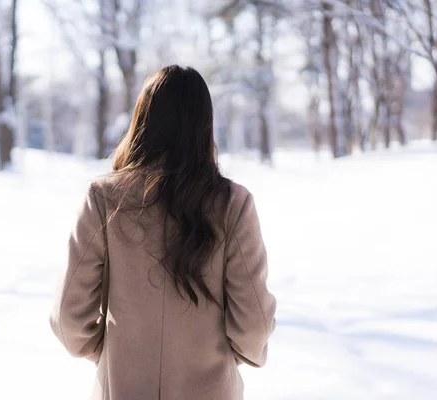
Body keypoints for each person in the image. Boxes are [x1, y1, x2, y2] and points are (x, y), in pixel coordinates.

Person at [50, 65, 276, 400]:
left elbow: (69, 315)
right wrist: (226, 359)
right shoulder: (233, 204)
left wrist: (116, 356)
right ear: (204, 126)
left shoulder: (103, 198)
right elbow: (253, 325)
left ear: (142, 119)